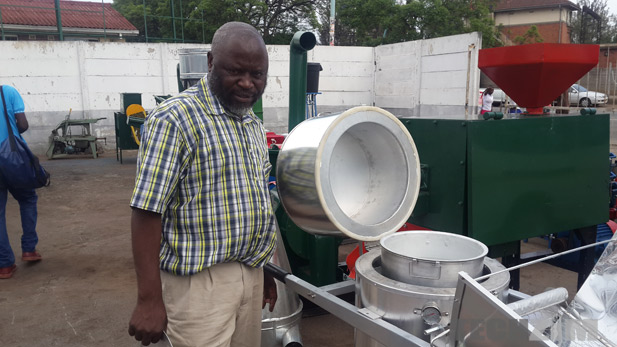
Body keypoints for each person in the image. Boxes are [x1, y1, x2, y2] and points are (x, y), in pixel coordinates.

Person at [128, 22, 278, 347]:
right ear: (211, 62)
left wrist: (264, 271)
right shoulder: (175, 119)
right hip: (198, 285)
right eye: (236, 71)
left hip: (249, 273)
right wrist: (148, 299)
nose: (248, 83)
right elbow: (146, 212)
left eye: (258, 74)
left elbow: (258, 202)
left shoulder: (251, 123)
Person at [0, 85, 42, 280]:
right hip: (12, 158)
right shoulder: (7, 92)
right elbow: (22, 125)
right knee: (27, 199)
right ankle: (29, 249)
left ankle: (5, 265)